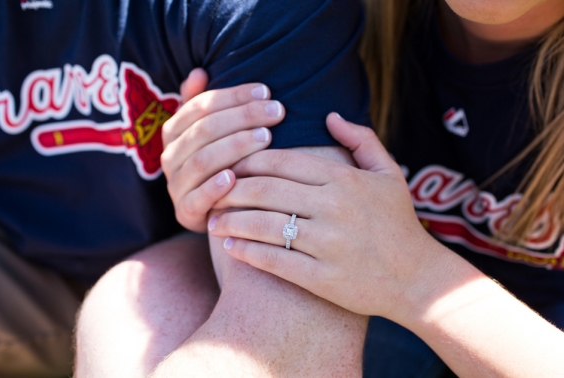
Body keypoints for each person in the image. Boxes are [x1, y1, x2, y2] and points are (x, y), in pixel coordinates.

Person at [162, 0, 564, 376]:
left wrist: (416, 275)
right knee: (145, 288)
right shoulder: (325, 18)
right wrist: (217, 187)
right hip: (385, 314)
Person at [0, 0, 373, 377]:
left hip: (184, 270)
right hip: (20, 263)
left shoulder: (253, 11)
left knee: (128, 321)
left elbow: (287, 336)